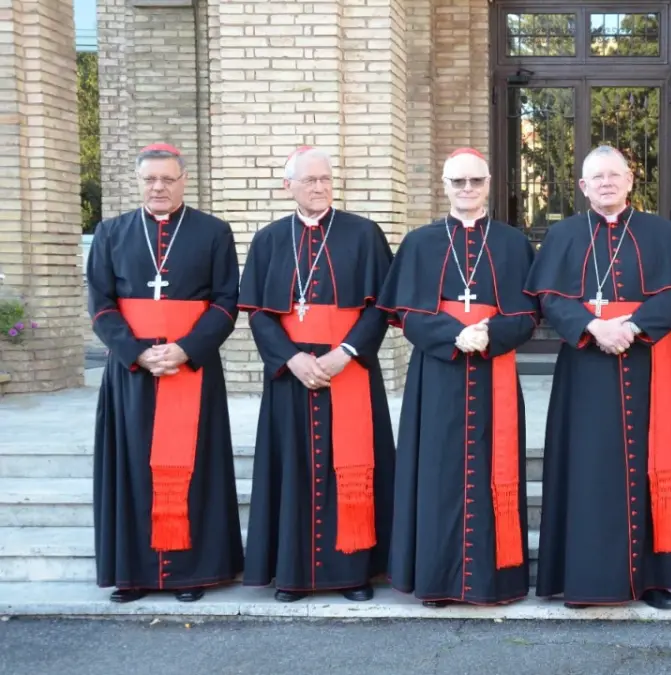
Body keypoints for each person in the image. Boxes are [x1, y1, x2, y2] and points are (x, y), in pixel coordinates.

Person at [524, 145, 671, 610]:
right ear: (582, 186)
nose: (606, 183)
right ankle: (583, 579)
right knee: (587, 470)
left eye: (614, 175)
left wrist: (633, 327)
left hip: (644, 365)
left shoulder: (659, 232)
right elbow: (548, 298)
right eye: (596, 177)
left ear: (630, 180)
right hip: (584, 365)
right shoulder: (563, 235)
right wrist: (593, 326)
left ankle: (653, 580)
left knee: (650, 467)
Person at [379, 148, 538, 607]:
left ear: (489, 184)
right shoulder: (420, 242)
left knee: (496, 469)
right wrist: (454, 335)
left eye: (475, 181)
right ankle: (437, 581)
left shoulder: (512, 243)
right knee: (437, 473)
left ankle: (495, 581)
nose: (467, 189)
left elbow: (531, 313)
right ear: (444, 186)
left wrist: (489, 333)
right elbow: (404, 312)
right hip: (438, 375)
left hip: (495, 373)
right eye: (457, 182)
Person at [238, 146, 395, 603]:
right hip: (293, 375)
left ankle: (354, 573)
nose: (320, 187)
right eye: (309, 180)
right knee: (294, 470)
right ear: (288, 186)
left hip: (349, 372)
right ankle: (293, 574)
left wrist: (345, 352)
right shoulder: (268, 240)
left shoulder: (364, 235)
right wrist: (291, 358)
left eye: (325, 179)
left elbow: (379, 308)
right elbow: (257, 314)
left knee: (353, 465)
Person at [87, 142, 243, 603]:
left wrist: (186, 349)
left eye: (167, 179)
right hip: (131, 371)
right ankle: (133, 574)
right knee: (132, 467)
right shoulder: (111, 232)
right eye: (150, 179)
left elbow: (227, 301)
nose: (158, 186)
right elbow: (100, 304)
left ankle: (190, 574)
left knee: (194, 467)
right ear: (138, 182)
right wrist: (136, 352)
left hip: (190, 367)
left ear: (183, 180)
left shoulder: (213, 232)